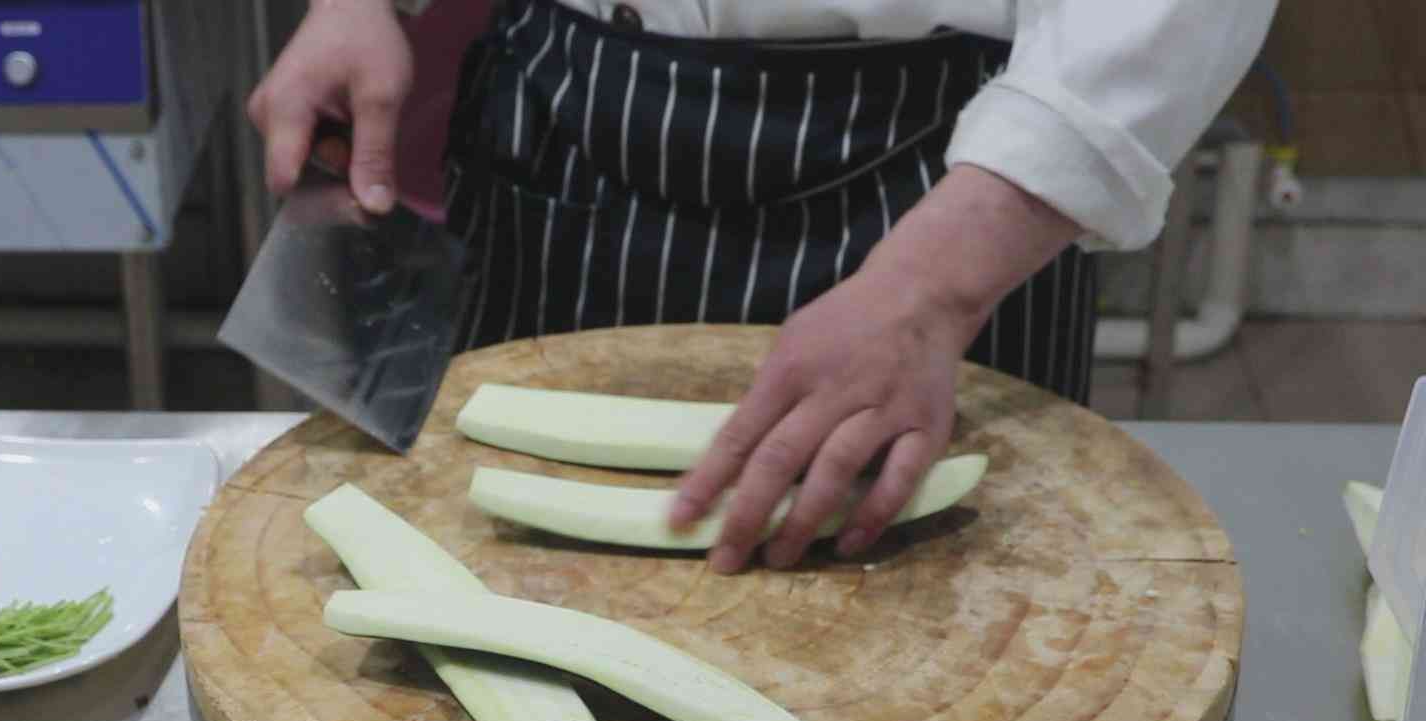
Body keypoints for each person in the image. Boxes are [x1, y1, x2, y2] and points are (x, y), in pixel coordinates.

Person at [248, 0, 1276, 572]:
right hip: (565, 112)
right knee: (499, 578)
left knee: (934, 649)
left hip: (954, 170)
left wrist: (932, 289)